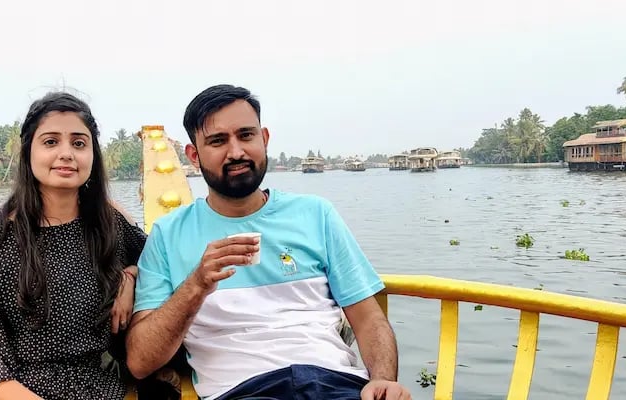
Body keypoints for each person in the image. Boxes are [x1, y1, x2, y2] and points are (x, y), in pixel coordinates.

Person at [126, 84, 412, 400]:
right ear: (193, 155)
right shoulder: (168, 235)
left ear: (264, 139)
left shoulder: (315, 214)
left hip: (335, 385)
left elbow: (369, 318)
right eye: (218, 141)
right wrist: (195, 285)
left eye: (246, 136)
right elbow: (141, 362)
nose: (236, 152)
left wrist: (383, 381)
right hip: (242, 391)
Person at [0, 92, 147, 400]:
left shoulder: (111, 223)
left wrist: (130, 277)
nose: (66, 153)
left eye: (79, 143)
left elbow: (162, 268)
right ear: (28, 152)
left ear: (93, 154)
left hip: (93, 388)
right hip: (5, 390)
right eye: (51, 142)